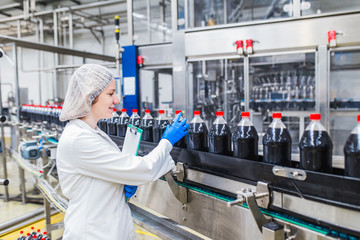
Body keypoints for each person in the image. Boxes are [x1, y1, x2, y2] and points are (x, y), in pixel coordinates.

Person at [56, 64, 188, 240]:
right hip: (92, 233)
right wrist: (167, 141)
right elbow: (144, 169)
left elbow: (113, 168)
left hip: (109, 227)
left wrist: (120, 183)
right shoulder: (78, 139)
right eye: (110, 94)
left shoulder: (93, 132)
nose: (117, 99)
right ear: (90, 96)